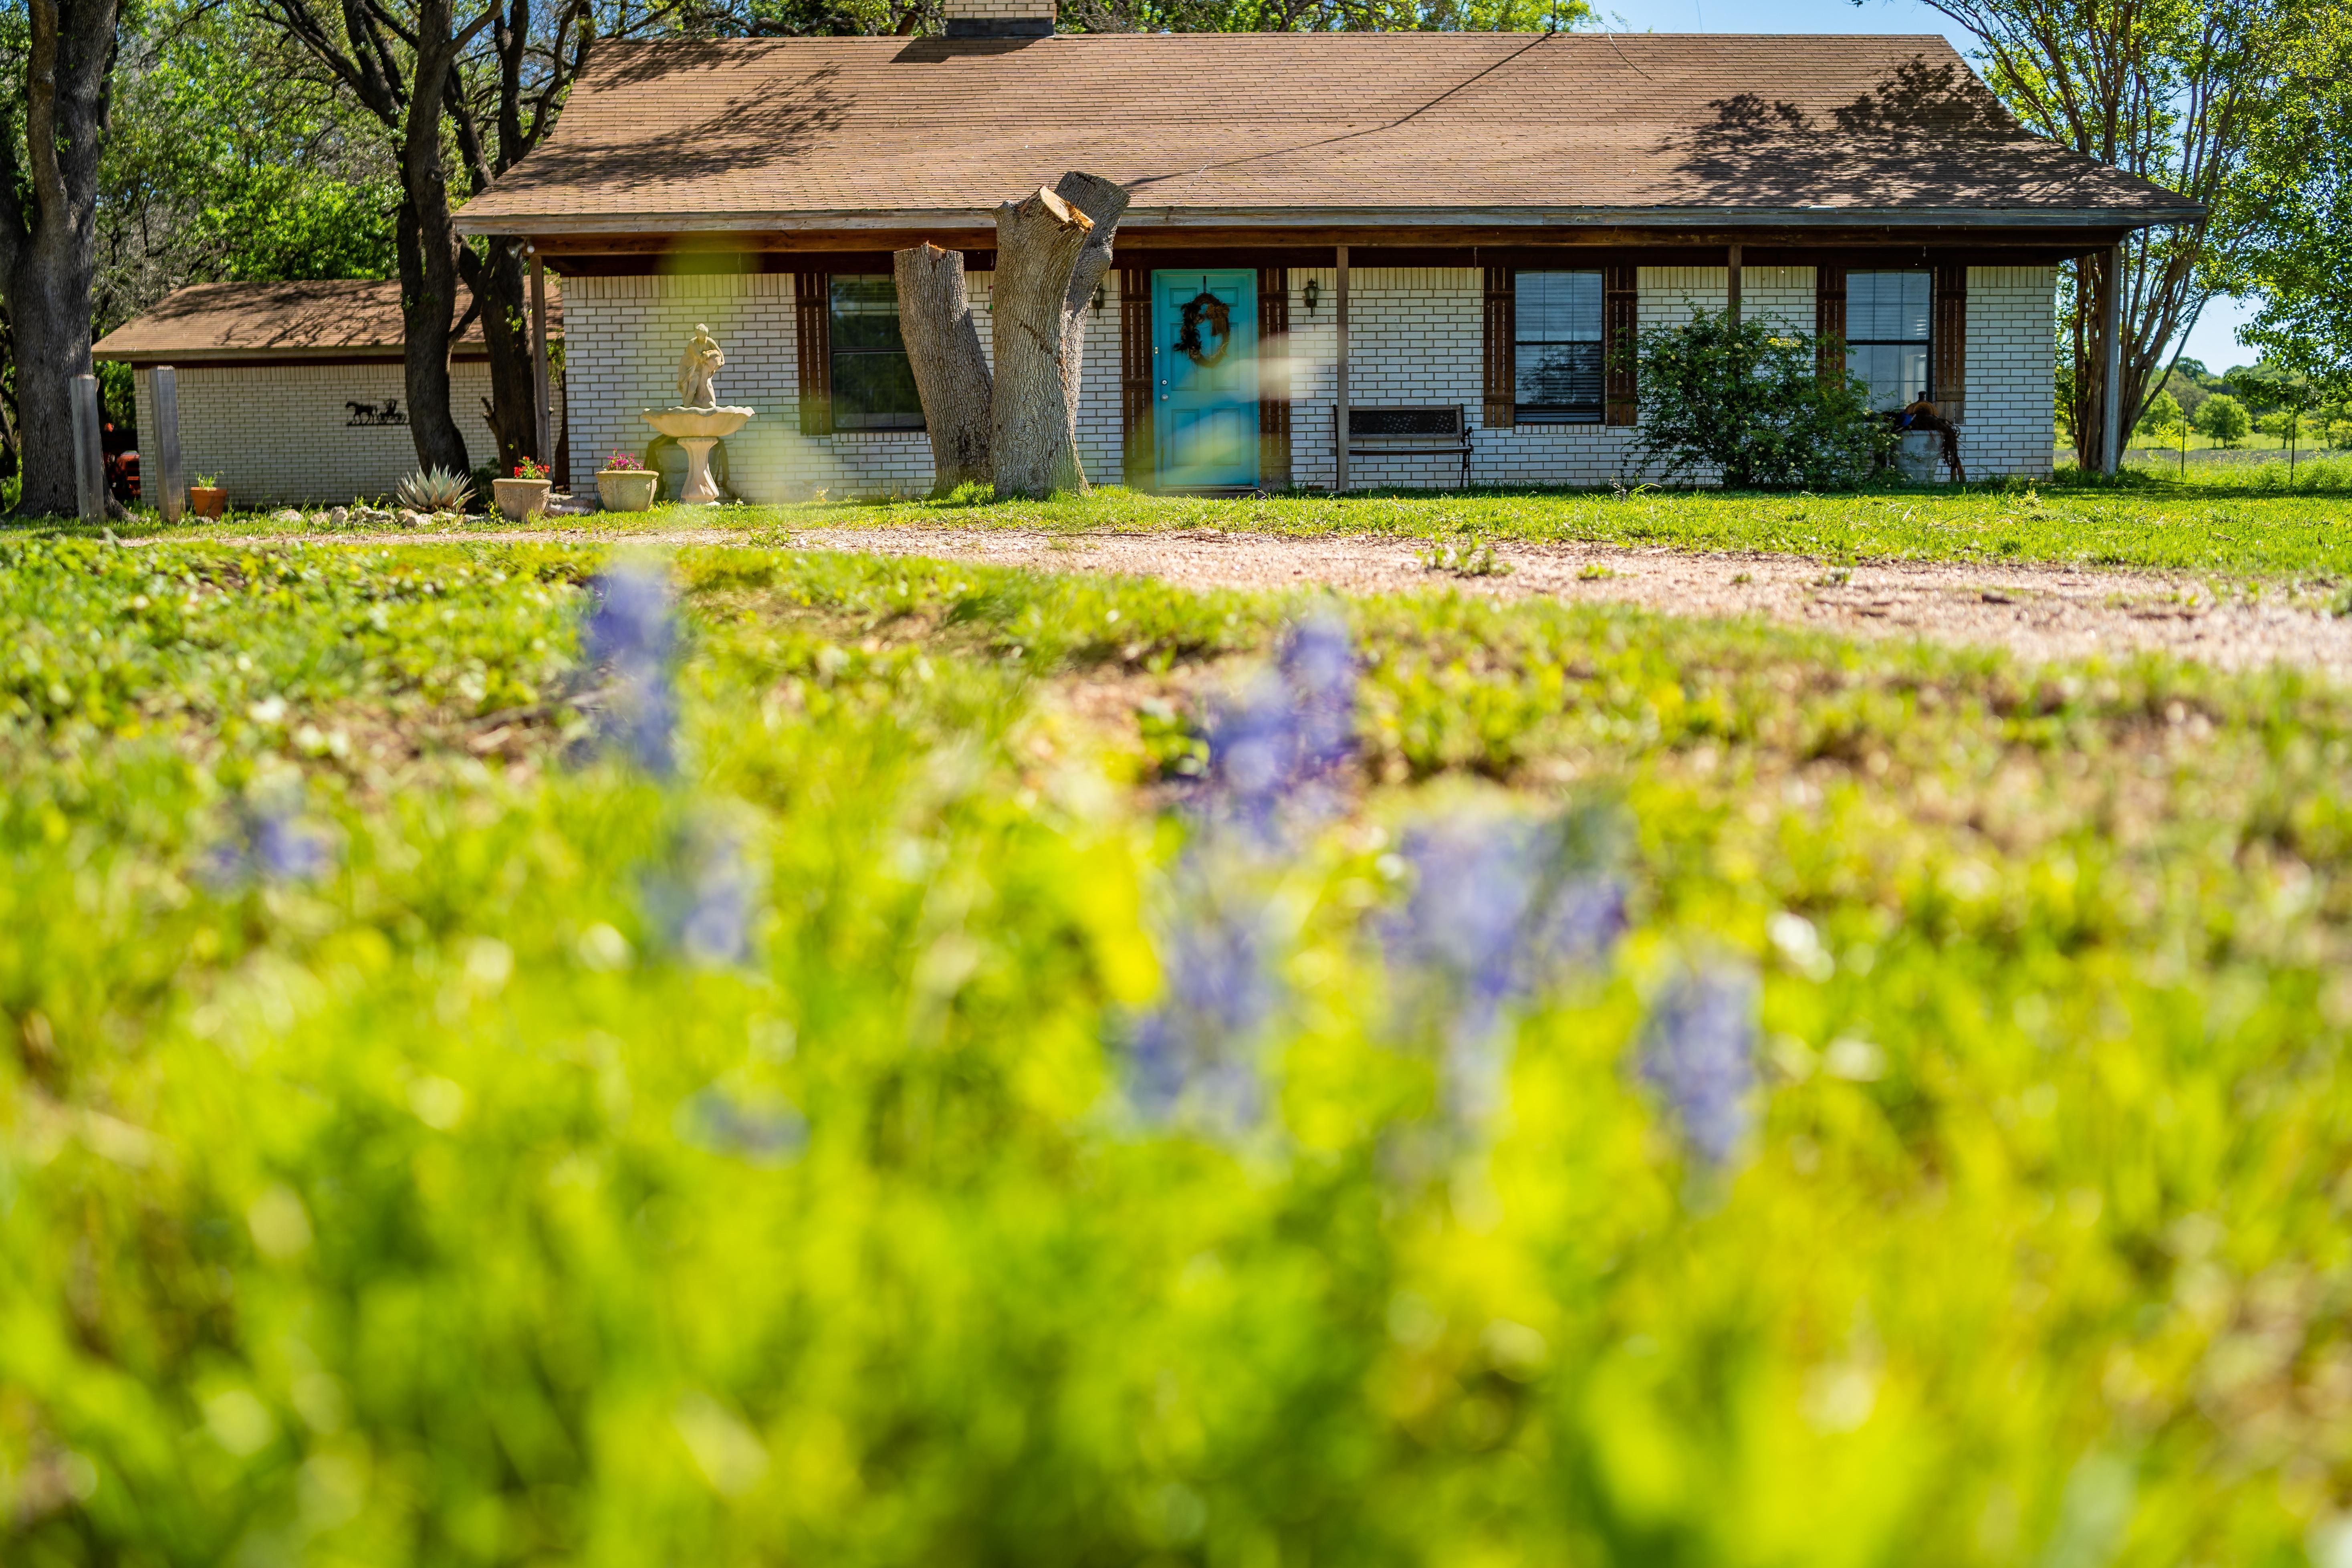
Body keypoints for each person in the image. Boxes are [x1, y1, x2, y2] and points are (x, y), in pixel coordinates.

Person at [677, 325, 725, 409]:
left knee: (706, 384)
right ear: (697, 335)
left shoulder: (709, 341)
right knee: (691, 389)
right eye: (700, 336)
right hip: (691, 368)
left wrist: (722, 362)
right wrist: (710, 355)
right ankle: (686, 409)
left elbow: (719, 352)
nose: (703, 338)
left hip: (702, 368)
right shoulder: (692, 343)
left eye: (704, 336)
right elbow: (700, 357)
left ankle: (704, 404)